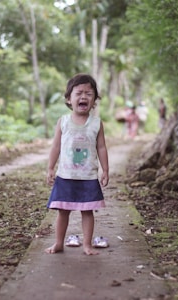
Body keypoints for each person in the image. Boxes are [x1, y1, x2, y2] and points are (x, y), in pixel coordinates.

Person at [45, 73, 109, 256]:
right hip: (65, 176)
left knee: (87, 211)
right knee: (62, 212)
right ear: (69, 99)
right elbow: (56, 146)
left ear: (94, 100)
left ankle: (87, 245)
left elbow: (102, 147)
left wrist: (105, 170)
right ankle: (58, 243)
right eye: (79, 93)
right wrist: (50, 168)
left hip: (88, 176)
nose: (83, 97)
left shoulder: (96, 124)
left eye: (89, 94)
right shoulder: (63, 122)